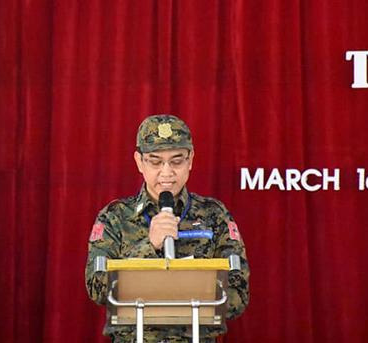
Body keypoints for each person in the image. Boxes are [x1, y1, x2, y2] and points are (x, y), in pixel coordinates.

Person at [85, 114, 249, 343]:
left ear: (190, 160)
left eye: (176, 161)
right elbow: (97, 288)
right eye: (155, 161)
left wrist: (184, 288)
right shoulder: (114, 217)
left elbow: (239, 295)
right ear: (139, 161)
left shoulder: (214, 214)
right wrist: (149, 246)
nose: (166, 172)